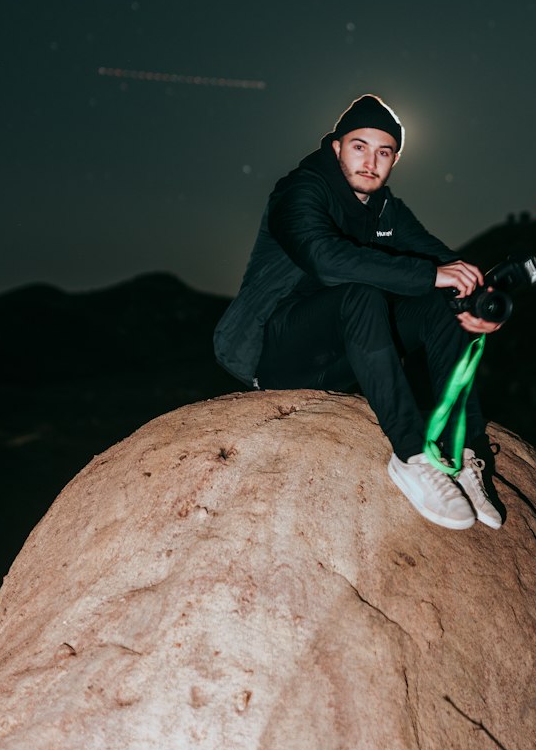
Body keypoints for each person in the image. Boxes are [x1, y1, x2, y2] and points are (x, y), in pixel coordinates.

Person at [213, 94, 505, 531]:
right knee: (363, 292)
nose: (371, 161)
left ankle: (463, 451)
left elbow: (441, 262)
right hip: (276, 354)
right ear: (336, 147)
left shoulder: (387, 210)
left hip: (344, 356)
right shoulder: (300, 190)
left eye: (383, 152)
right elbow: (326, 258)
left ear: (395, 160)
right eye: (359, 146)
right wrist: (431, 275)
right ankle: (410, 456)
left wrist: (478, 301)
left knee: (438, 306)